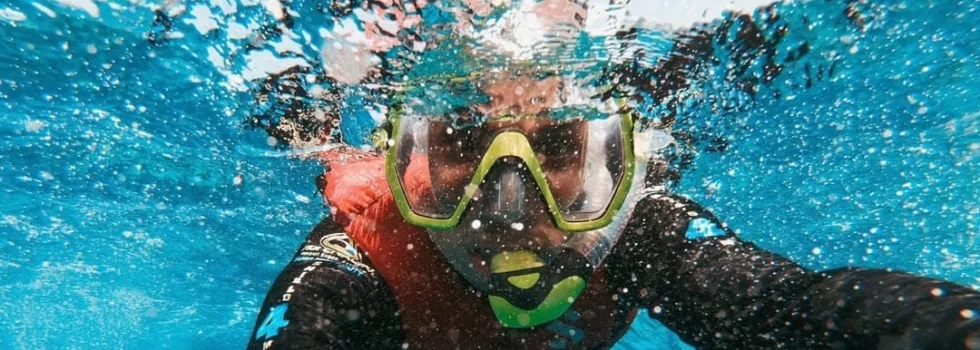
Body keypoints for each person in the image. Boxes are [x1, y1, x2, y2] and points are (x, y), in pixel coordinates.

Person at [247, 68, 980, 349]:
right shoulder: (366, 244)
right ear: (412, 158)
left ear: (615, 165)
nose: (508, 202)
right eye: (464, 142)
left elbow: (794, 309)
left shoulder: (643, 233)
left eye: (559, 145)